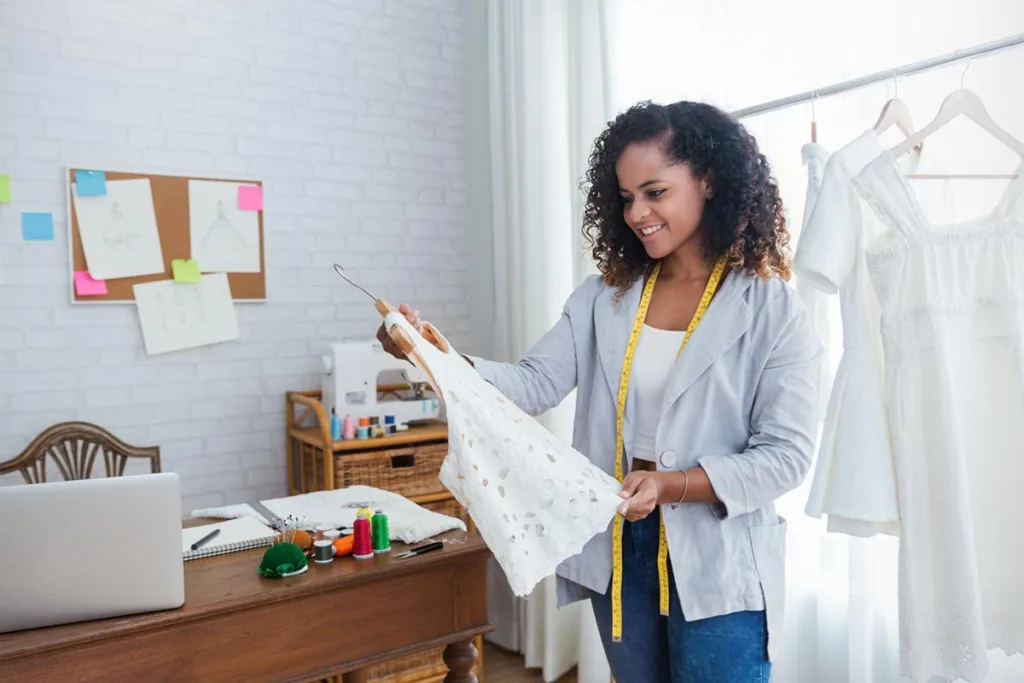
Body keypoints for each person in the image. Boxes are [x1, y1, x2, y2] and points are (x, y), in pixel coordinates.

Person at [377, 100, 822, 683]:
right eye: (626, 197)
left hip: (719, 549)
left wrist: (670, 485)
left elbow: (786, 457)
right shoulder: (604, 296)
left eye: (655, 192)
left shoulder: (770, 305)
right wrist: (433, 356)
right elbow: (533, 385)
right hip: (621, 543)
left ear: (708, 182)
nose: (638, 212)